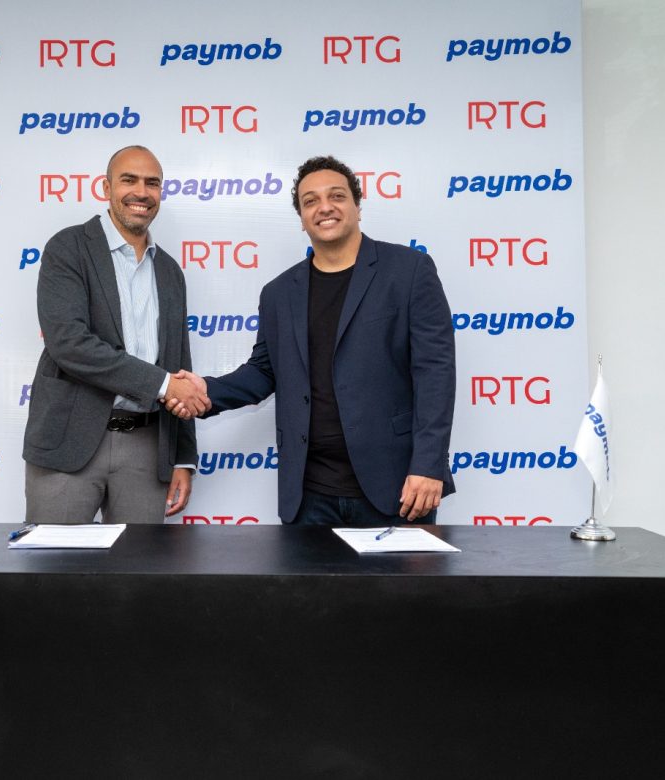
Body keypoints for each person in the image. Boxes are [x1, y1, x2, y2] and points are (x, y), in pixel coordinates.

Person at [168, 155, 455, 525]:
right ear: (302, 219)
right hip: (308, 496)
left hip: (398, 487)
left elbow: (435, 373)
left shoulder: (409, 270)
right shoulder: (278, 293)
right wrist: (206, 390)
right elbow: (263, 372)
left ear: (357, 206)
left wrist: (429, 464)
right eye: (310, 201)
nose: (324, 207)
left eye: (336, 196)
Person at [22, 145, 209, 524]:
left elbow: (180, 365)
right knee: (54, 560)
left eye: (152, 183)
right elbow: (69, 344)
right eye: (129, 180)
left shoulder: (170, 271)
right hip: (69, 442)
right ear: (106, 187)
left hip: (147, 447)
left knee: (140, 563)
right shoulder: (68, 248)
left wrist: (183, 457)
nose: (141, 192)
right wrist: (163, 385)